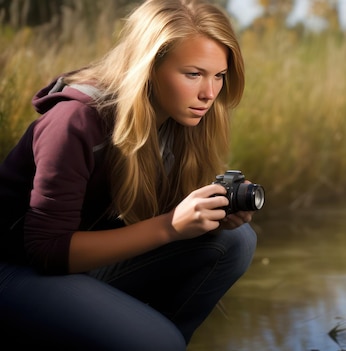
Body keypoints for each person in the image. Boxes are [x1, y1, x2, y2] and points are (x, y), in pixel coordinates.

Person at [0, 0, 258, 350]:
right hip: (17, 269)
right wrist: (170, 227)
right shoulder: (74, 122)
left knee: (235, 242)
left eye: (219, 75)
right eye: (193, 74)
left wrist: (207, 216)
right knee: (157, 340)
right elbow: (46, 250)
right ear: (149, 67)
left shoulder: (181, 120)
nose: (209, 93)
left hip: (80, 261)